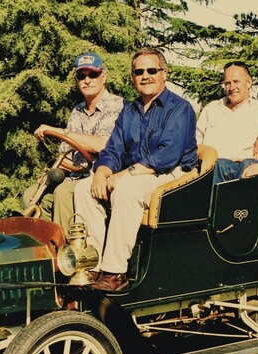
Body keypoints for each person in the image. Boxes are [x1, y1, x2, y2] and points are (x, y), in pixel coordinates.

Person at [74, 47, 198, 291]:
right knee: (83, 188)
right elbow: (113, 149)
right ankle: (92, 265)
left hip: (171, 175)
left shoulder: (179, 108)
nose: (145, 76)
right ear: (132, 76)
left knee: (127, 189)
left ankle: (115, 272)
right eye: (139, 71)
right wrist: (101, 173)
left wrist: (125, 174)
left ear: (164, 73)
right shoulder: (129, 110)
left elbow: (167, 155)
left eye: (152, 70)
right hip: (137, 173)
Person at [24, 52, 124, 226]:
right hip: (75, 176)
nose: (87, 80)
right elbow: (67, 154)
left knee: (63, 192)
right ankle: (45, 244)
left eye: (93, 74)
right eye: (81, 76)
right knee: (32, 194)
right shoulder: (77, 110)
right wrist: (52, 173)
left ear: (104, 76)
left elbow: (103, 144)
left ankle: (69, 249)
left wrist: (60, 131)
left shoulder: (117, 105)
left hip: (103, 175)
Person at [196, 61, 258, 183]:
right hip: (211, 170)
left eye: (236, 82)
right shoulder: (211, 109)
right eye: (227, 83)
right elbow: (195, 141)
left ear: (249, 82)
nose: (232, 88)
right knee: (218, 164)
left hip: (245, 171)